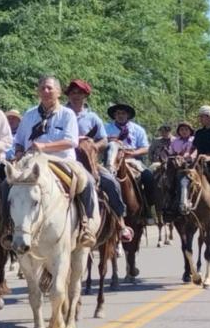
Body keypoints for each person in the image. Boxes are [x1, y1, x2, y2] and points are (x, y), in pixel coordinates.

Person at [13, 75, 99, 245]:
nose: (46, 91)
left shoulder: (67, 114)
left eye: (50, 88)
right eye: (43, 88)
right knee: (7, 186)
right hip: (32, 162)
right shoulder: (29, 115)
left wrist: (44, 147)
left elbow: (71, 141)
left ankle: (86, 225)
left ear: (58, 92)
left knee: (87, 181)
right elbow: (18, 141)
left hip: (61, 161)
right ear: (37, 91)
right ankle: (8, 228)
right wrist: (18, 152)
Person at [64, 79, 128, 232]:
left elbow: (104, 140)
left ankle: (120, 221)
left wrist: (93, 146)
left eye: (79, 93)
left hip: (88, 162)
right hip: (65, 159)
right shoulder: (61, 114)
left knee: (112, 182)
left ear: (85, 95)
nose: (76, 96)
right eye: (72, 93)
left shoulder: (93, 118)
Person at [105, 102, 156, 225]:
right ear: (114, 115)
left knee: (149, 177)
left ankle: (149, 208)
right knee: (98, 178)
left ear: (128, 115)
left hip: (132, 160)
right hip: (111, 160)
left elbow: (145, 148)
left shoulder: (138, 129)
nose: (120, 115)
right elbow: (101, 144)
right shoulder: (106, 128)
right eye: (118, 113)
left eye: (123, 113)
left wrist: (132, 153)